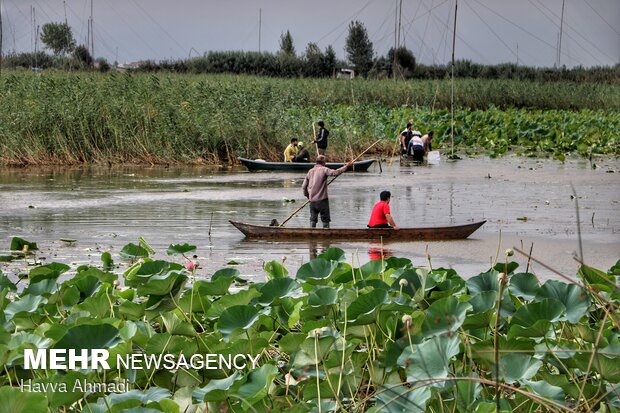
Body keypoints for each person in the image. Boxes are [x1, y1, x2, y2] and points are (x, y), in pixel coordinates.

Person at [302, 155, 352, 228]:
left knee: (313, 219)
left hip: (312, 200)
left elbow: (303, 187)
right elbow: (335, 172)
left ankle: (311, 234)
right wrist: (346, 167)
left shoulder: (310, 171)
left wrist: (307, 196)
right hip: (322, 200)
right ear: (324, 162)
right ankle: (326, 235)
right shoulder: (324, 169)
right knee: (325, 220)